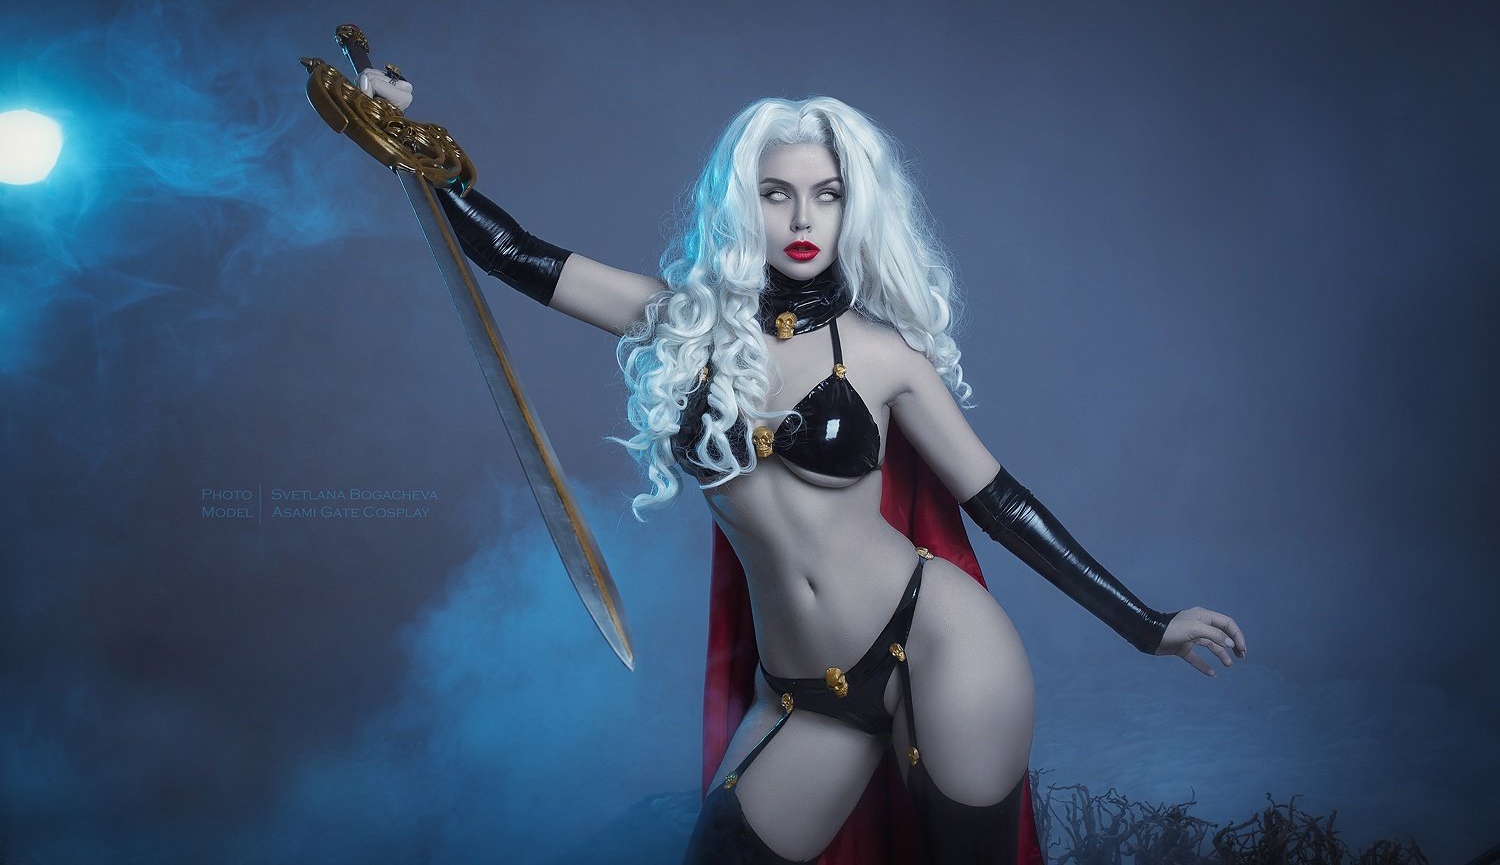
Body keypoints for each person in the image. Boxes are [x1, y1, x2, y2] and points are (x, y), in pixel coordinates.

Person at [360, 74, 1248, 864]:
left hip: (940, 646)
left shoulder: (883, 355)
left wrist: (1149, 626)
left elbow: (1001, 502)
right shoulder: (679, 322)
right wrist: (402, 139)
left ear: (852, 209)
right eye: (775, 193)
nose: (800, 220)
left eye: (826, 196)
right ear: (741, 205)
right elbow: (513, 253)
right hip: (804, 696)